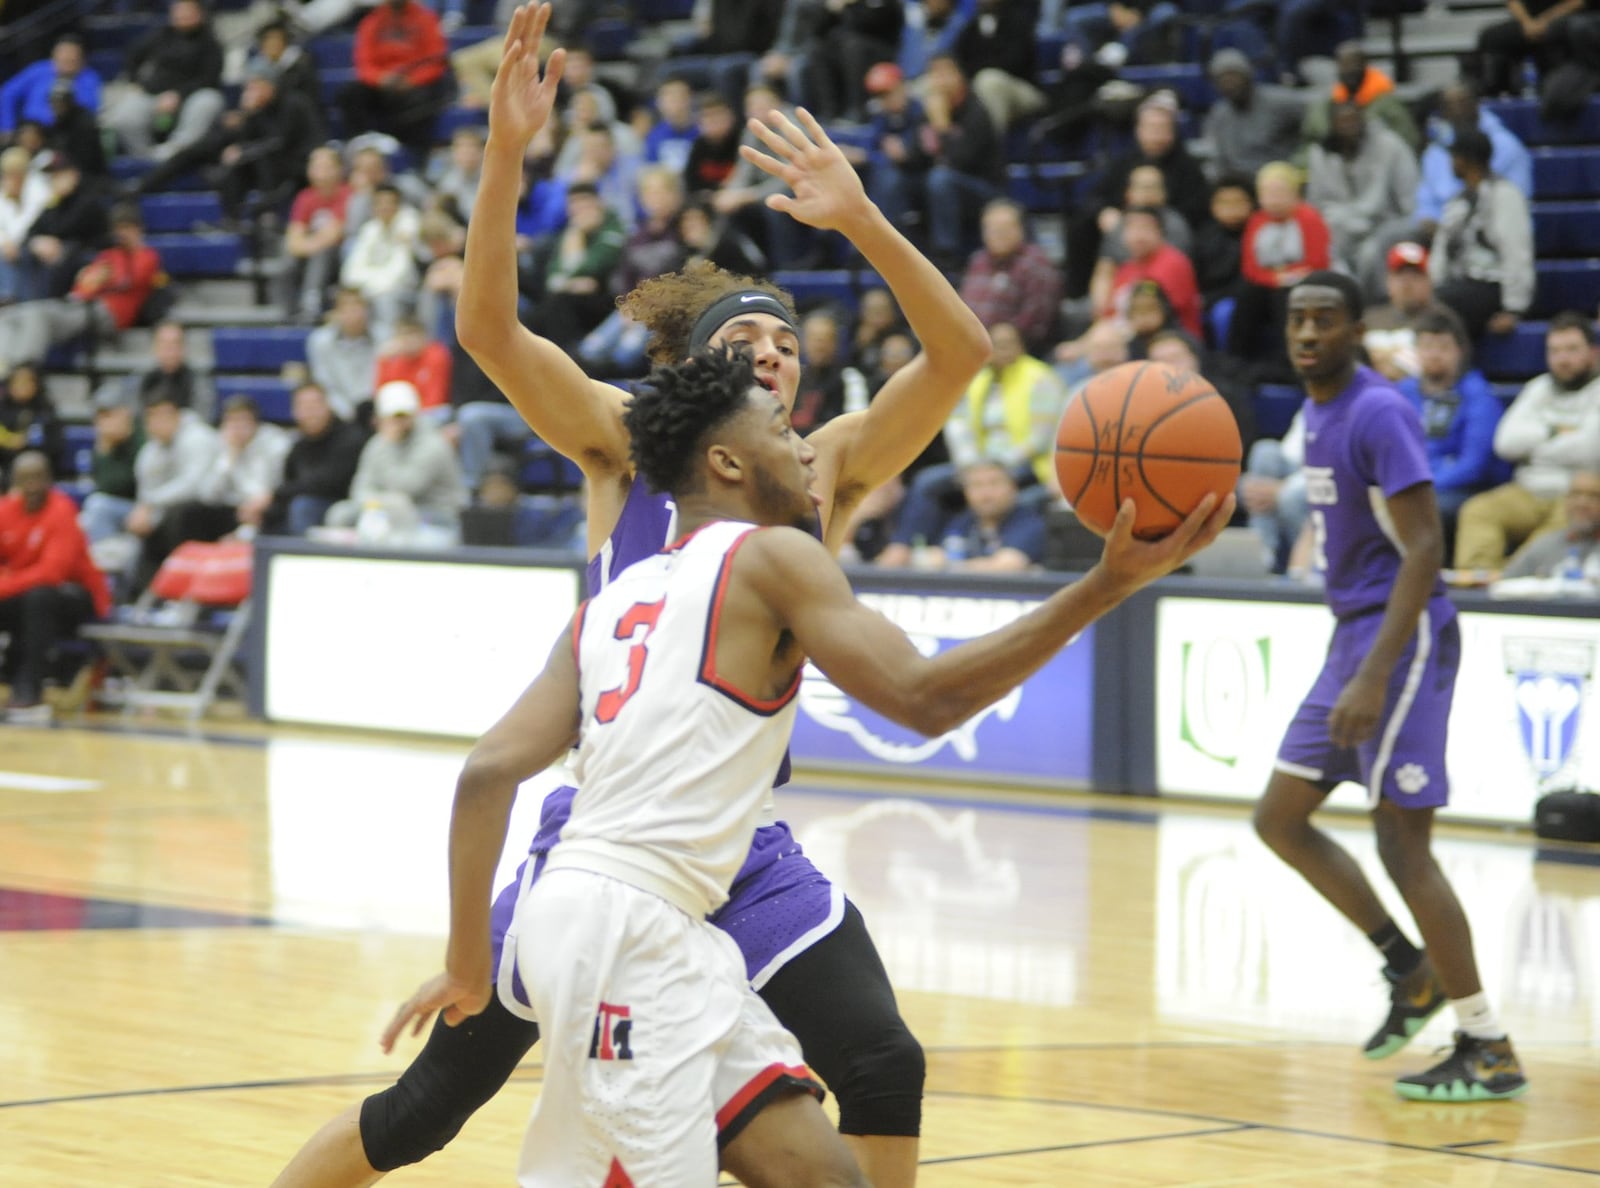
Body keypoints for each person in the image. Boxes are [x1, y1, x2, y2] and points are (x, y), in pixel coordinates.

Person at [270, 7, 993, 1187]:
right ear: (694, 377)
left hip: (740, 846)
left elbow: (958, 356)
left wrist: (861, 217)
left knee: (880, 1059)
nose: (773, 350)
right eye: (744, 337)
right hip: (604, 841)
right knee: (431, 1102)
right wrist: (506, 151)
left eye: (787, 339)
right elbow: (489, 328)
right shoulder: (625, 447)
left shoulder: (826, 465)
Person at [381, 344, 1231, 1184]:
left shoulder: (611, 601)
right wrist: (1104, 587)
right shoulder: (775, 557)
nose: (804, 452)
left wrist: (467, 962)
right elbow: (925, 700)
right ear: (726, 460)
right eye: (784, 433)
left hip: (610, 920)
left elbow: (487, 773)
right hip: (625, 925)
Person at [1253, 271, 1528, 1102]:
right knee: (1279, 818)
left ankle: (1489, 1045)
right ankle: (1408, 968)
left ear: (1358, 330)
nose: (1307, 332)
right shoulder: (1316, 413)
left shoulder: (1379, 411)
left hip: (1399, 642)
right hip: (1354, 638)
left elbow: (1422, 551)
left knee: (1404, 845)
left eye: (1324, 320)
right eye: (1297, 319)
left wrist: (1376, 672)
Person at [1454, 312, 1600, 571]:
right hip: (1527, 490)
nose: (1563, 359)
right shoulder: (1538, 389)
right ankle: (1479, 592)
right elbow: (1505, 443)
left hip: (1577, 495)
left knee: (1554, 532)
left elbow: (1590, 450)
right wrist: (1557, 432)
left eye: (1571, 350)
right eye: (1555, 351)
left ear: (1593, 353)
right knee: (1477, 511)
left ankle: (1512, 585)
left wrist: (1535, 447)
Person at [0, 451, 110, 725]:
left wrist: (5, 584)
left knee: (40, 597)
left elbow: (53, 573)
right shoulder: (6, 510)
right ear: (15, 481)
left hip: (76, 597)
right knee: (31, 598)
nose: (32, 485)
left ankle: (30, 691)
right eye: (25, 479)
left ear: (49, 479)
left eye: (38, 478)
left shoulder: (62, 510)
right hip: (23, 594)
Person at [1395, 308, 1507, 538]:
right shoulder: (1403, 391)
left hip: (1462, 489)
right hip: (1412, 484)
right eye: (1427, 347)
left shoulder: (1479, 395)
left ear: (1459, 351)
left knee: (1415, 509)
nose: (1435, 354)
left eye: (1443, 347)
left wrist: (1420, 488)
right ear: (1416, 351)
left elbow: (1474, 465)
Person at [1428, 127, 1534, 341]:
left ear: (1466, 159)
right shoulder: (1457, 201)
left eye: (1454, 156)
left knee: (1440, 308)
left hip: (1490, 286)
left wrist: (1513, 309)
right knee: (1425, 303)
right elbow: (1441, 252)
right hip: (1457, 285)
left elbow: (1516, 252)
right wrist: (1431, 286)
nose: (1451, 162)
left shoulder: (1505, 195)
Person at [101, 0, 225, 163]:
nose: (183, 16)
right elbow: (132, 55)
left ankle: (176, 151)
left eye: (188, 11)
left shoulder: (211, 44)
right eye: (179, 11)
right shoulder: (161, 35)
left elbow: (210, 79)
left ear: (200, 14)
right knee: (125, 115)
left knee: (209, 101)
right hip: (153, 94)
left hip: (192, 97)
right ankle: (145, 156)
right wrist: (135, 82)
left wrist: (178, 95)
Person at [263, 383, 368, 536]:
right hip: (305, 506)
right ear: (294, 411)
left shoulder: (350, 437)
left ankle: (304, 556)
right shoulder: (299, 446)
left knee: (303, 506)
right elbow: (289, 483)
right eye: (303, 406)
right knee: (270, 515)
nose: (309, 412)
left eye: (314, 405)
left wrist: (274, 495)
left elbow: (326, 483)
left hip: (344, 504)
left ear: (328, 406)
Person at [1498, 468, 1600, 580]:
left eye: (1594, 496)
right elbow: (1505, 580)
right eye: (1575, 494)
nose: (1582, 503)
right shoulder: (1545, 544)